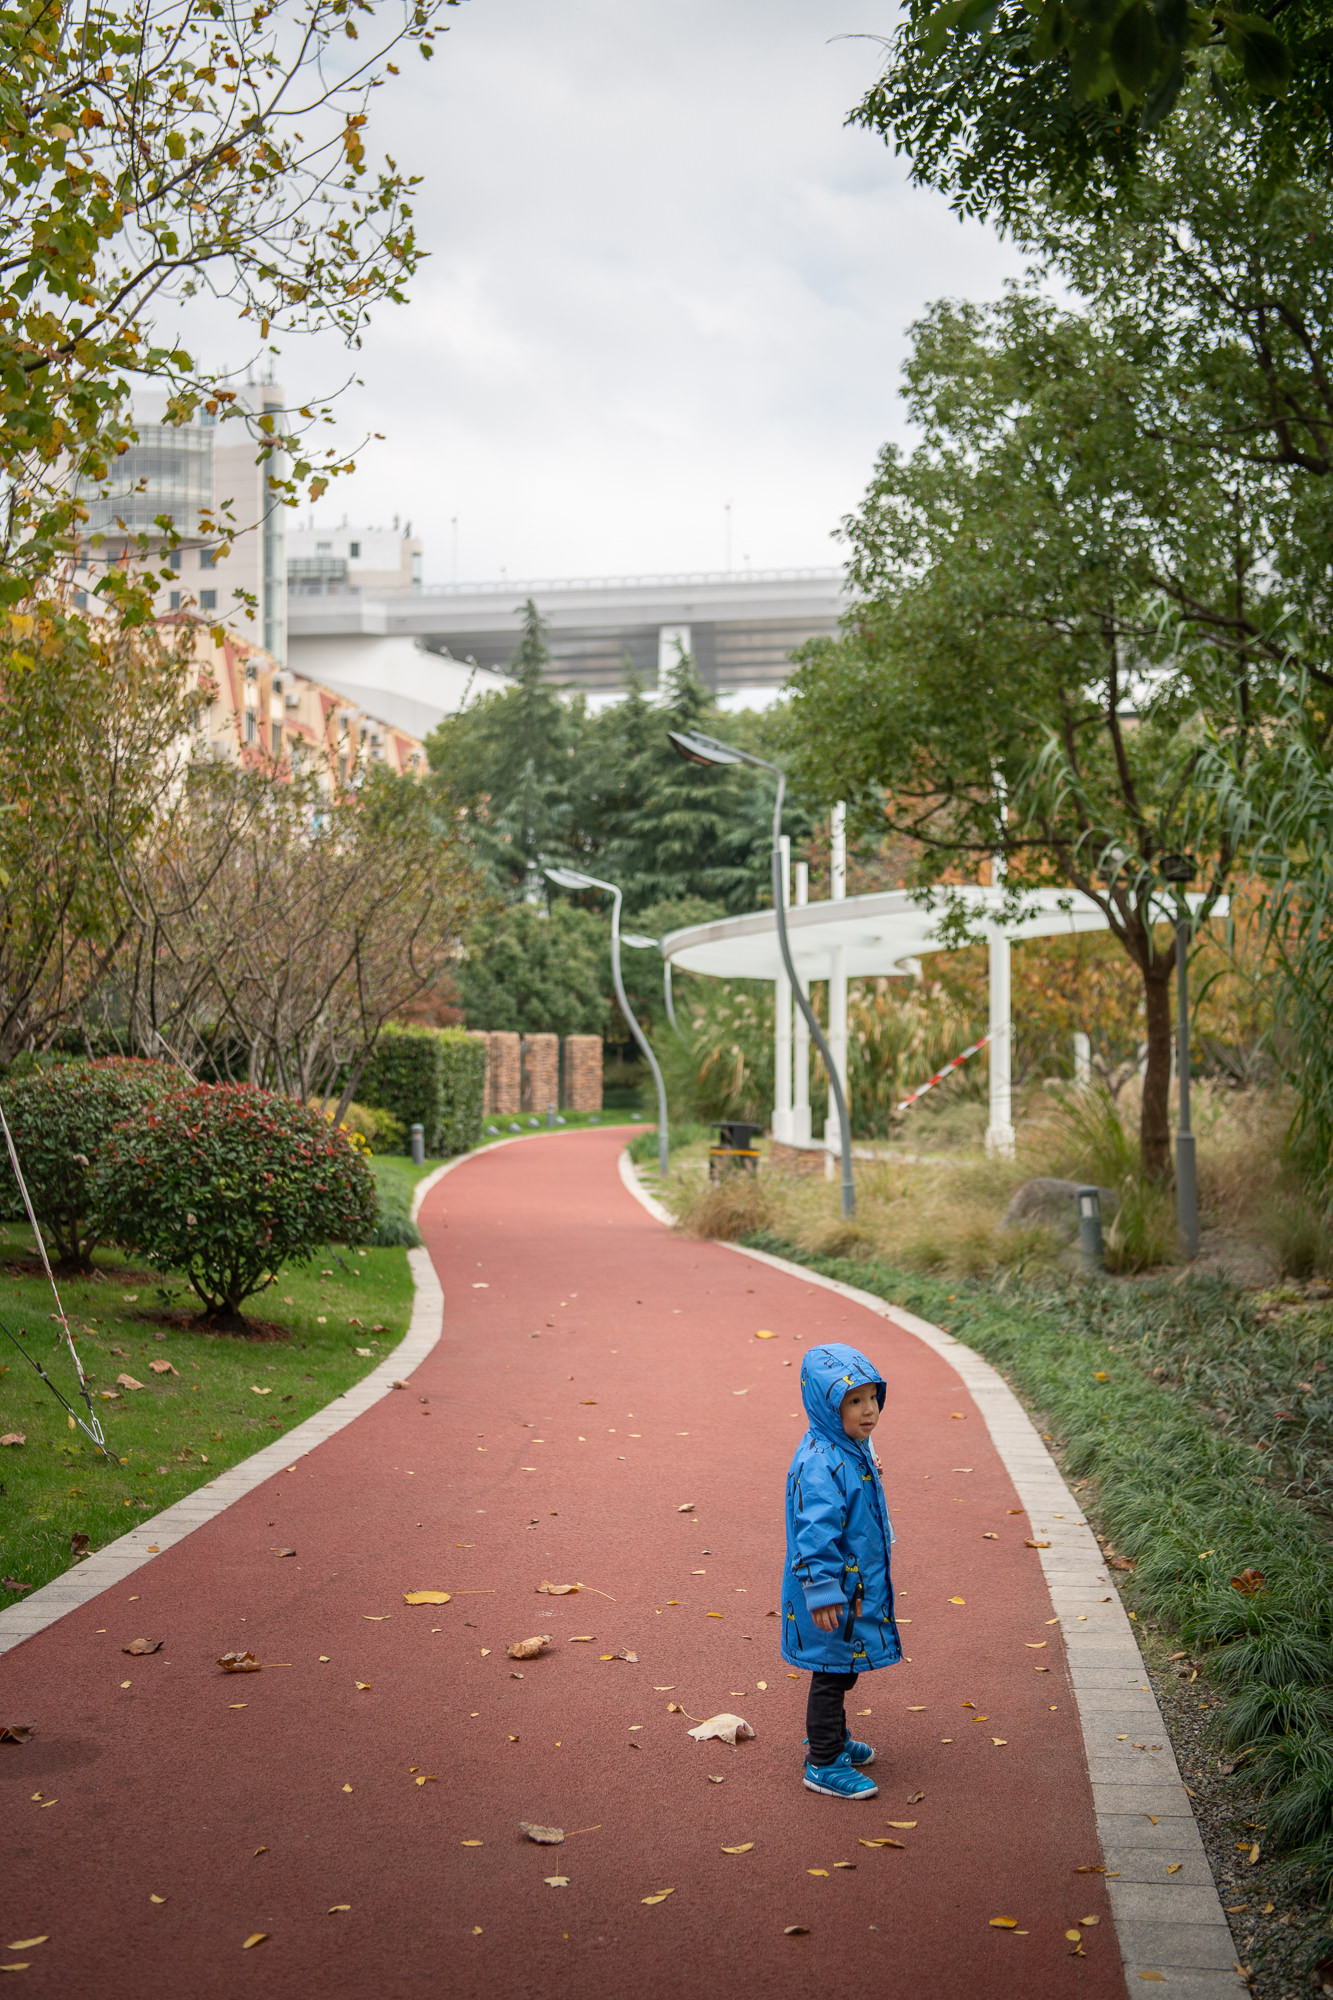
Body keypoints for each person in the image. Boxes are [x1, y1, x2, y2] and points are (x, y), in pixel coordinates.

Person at [781, 1341, 901, 1799]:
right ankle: (824, 1760)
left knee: (842, 1666)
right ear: (828, 1405)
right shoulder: (820, 1462)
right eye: (854, 1401)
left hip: (851, 1582)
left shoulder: (846, 1446)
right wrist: (822, 1587)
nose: (868, 1411)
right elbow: (814, 1532)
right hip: (831, 1589)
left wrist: (868, 1463)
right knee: (831, 1671)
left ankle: (829, 1737)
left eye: (872, 1398)